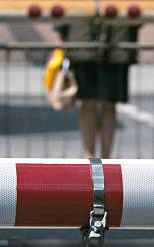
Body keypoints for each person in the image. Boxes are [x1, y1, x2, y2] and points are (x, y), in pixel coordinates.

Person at [54, 19, 137, 158]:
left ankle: (106, 158)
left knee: (109, 103)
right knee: (89, 103)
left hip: (114, 44)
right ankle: (89, 156)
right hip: (85, 43)